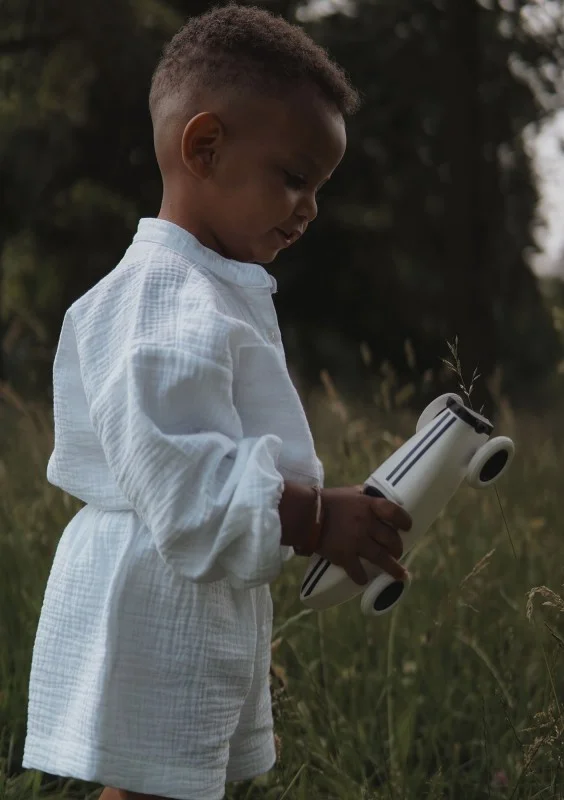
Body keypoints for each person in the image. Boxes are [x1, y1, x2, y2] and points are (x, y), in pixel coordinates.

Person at [22, 4, 412, 800]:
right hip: (154, 590)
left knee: (172, 785)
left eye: (319, 187)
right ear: (204, 148)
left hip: (195, 587)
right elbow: (181, 480)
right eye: (294, 178)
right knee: (153, 790)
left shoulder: (207, 286)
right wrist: (312, 518)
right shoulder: (161, 295)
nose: (310, 207)